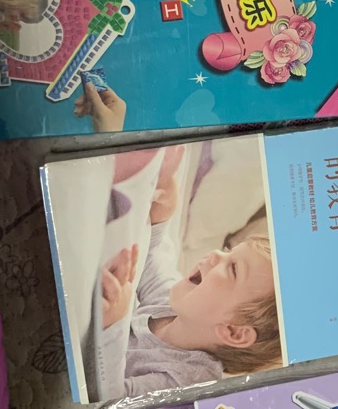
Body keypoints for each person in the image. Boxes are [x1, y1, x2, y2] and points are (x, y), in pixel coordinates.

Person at [99, 151, 283, 394]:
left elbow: (111, 398)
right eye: (228, 251)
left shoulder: (188, 379)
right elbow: (151, 257)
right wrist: (161, 218)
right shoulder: (173, 309)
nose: (216, 254)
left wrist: (113, 324)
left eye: (233, 268)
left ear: (233, 331)